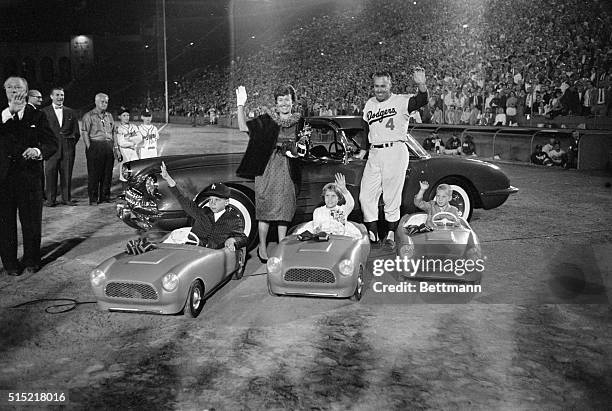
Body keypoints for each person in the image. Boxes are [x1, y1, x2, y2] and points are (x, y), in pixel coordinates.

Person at [357, 68, 428, 248]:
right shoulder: (370, 103)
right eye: (376, 86)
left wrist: (421, 84)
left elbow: (421, 100)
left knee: (391, 196)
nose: (379, 89)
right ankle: (372, 232)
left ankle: (390, 233)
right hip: (375, 152)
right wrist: (364, 150)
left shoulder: (400, 101)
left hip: (395, 149)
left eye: (383, 86)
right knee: (366, 195)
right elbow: (367, 128)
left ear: (390, 85)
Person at [235, 84, 305, 262]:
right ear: (276, 102)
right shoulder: (267, 120)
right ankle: (263, 247)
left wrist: (300, 149)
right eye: (280, 100)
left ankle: (282, 245)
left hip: (289, 169)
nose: (284, 103)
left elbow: (304, 146)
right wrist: (240, 104)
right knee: (265, 209)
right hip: (267, 169)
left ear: (292, 102)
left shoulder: (300, 122)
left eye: (287, 99)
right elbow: (243, 127)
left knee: (285, 208)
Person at [0, 76, 57, 276]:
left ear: (26, 90)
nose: (14, 90)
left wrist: (37, 151)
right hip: (4, 179)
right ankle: (10, 264)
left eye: (18, 87)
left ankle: (32, 259)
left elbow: (52, 143)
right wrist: (10, 113)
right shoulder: (2, 114)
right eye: (10, 87)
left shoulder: (38, 115)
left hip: (30, 178)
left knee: (31, 222)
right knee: (5, 224)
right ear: (4, 90)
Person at [159, 162, 247, 250]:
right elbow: (182, 198)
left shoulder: (233, 219)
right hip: (193, 252)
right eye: (210, 199)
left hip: (214, 257)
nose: (212, 203)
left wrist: (233, 240)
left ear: (226, 202)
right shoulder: (203, 212)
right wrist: (167, 178)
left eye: (217, 200)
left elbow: (243, 239)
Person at [41, 86, 80, 206]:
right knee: (50, 175)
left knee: (67, 174)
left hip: (67, 150)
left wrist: (69, 145)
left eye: (62, 95)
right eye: (57, 95)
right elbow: (40, 132)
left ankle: (66, 199)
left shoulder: (71, 112)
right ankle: (50, 200)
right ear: (52, 96)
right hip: (51, 150)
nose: (60, 97)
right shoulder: (44, 112)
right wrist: (46, 147)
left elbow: (76, 133)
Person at [298, 173, 361, 239]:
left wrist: (344, 189)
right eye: (327, 196)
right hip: (324, 237)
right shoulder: (318, 211)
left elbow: (350, 203)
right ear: (324, 197)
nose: (330, 199)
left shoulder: (342, 210)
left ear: (338, 198)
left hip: (339, 237)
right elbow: (316, 224)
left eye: (333, 196)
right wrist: (317, 229)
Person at [81, 93, 116, 205]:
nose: (104, 104)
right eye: (102, 101)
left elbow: (113, 131)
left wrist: (114, 146)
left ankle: (105, 196)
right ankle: (93, 198)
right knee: (94, 174)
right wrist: (89, 147)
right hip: (95, 145)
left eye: (106, 102)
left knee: (107, 173)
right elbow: (85, 132)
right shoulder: (89, 115)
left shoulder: (109, 116)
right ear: (96, 102)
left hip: (108, 145)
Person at [115, 106, 141, 186]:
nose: (126, 117)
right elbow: (121, 142)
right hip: (124, 153)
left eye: (128, 115)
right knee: (125, 174)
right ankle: (125, 192)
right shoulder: (119, 128)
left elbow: (139, 138)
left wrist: (128, 140)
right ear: (119, 117)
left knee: (135, 171)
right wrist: (133, 142)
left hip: (133, 152)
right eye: (124, 115)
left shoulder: (134, 126)